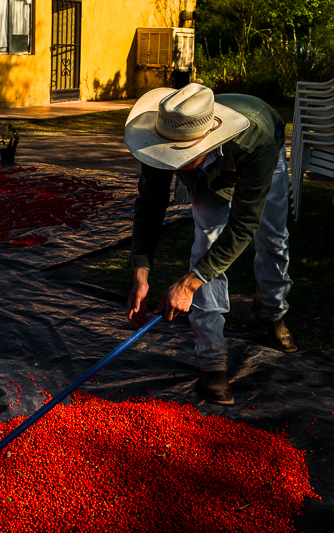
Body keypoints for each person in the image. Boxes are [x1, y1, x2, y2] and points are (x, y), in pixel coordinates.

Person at [124, 82, 296, 406]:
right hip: (209, 172)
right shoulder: (164, 132)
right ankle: (212, 359)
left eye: (178, 158)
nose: (169, 163)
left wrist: (187, 285)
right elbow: (149, 204)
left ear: (203, 143)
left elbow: (245, 225)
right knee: (206, 243)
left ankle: (271, 310)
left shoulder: (255, 140)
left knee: (272, 239)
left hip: (261, 156)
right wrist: (140, 275)